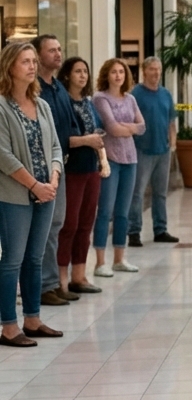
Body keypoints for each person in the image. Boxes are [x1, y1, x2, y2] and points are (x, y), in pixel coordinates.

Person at [0, 42, 64, 345]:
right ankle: (9, 327)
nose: (32, 66)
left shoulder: (42, 105)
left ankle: (33, 319)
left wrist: (52, 178)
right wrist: (34, 185)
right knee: (12, 259)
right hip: (15, 194)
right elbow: (3, 155)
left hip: (46, 191)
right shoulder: (1, 105)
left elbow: (54, 146)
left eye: (33, 61)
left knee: (35, 259)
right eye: (25, 61)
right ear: (10, 66)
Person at [32, 35, 79, 306]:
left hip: (59, 166)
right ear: (39, 56)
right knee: (45, 228)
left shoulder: (59, 88)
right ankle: (42, 286)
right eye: (52, 50)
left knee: (57, 225)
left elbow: (68, 125)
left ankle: (51, 283)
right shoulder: (33, 89)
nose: (58, 54)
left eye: (60, 49)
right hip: (38, 168)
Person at [57, 57, 109, 296]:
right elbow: (62, 138)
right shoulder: (62, 102)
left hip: (91, 169)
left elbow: (98, 130)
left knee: (86, 223)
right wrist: (87, 140)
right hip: (72, 170)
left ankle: (79, 275)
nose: (83, 75)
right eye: (77, 71)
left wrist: (99, 151)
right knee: (69, 224)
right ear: (67, 75)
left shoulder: (88, 103)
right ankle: (60, 279)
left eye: (85, 71)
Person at [92, 58, 145, 278]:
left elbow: (142, 127)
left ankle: (119, 258)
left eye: (121, 72)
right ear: (107, 74)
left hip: (130, 158)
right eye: (114, 72)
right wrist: (127, 127)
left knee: (123, 211)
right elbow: (112, 128)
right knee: (105, 211)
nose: (118, 76)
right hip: (110, 159)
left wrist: (128, 128)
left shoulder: (131, 99)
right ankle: (100, 262)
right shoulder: (99, 98)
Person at [128, 56, 179, 246]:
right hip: (142, 150)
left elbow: (171, 121)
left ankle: (160, 229)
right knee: (138, 193)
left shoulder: (166, 94)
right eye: (152, 69)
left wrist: (172, 144)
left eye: (158, 69)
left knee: (160, 193)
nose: (156, 73)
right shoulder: (136, 95)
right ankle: (134, 231)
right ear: (144, 71)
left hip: (163, 150)